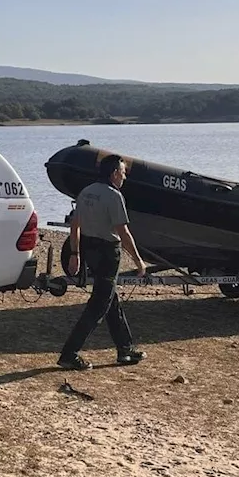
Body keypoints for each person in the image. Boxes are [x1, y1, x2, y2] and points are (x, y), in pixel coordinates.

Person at [57, 154, 148, 371]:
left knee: (110, 299)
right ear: (115, 173)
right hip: (108, 253)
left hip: (90, 250)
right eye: (123, 173)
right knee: (98, 306)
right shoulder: (113, 196)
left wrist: (75, 253)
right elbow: (123, 232)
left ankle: (125, 349)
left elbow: (74, 226)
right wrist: (138, 261)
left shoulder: (86, 192)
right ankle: (69, 353)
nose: (124, 178)